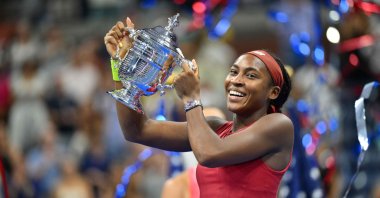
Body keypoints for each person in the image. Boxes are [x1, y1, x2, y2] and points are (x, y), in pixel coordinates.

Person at [104, 17, 294, 197]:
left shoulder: (279, 125)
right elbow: (137, 130)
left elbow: (209, 154)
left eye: (251, 75)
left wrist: (191, 98)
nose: (237, 81)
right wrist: (121, 68)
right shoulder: (213, 129)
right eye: (234, 72)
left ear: (273, 92)